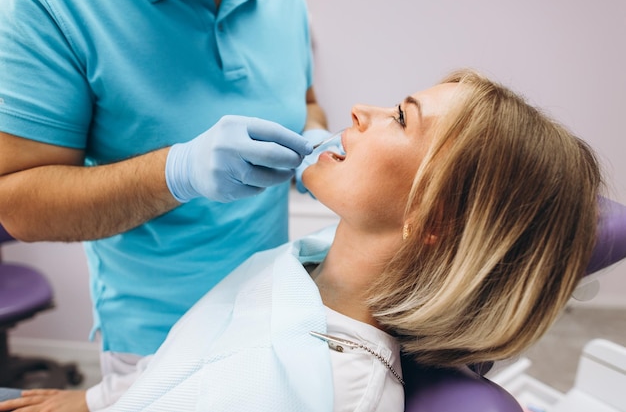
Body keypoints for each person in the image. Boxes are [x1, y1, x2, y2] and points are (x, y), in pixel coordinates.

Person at [1, 69, 601, 411]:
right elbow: (193, 357)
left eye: (399, 117)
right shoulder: (307, 263)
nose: (360, 109)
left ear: (432, 213)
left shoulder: (320, 388)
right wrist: (97, 403)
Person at [0, 0, 331, 410]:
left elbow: (306, 101)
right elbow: (17, 203)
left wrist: (315, 138)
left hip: (267, 316)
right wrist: (176, 171)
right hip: (154, 344)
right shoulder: (50, 8)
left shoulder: (286, 3)